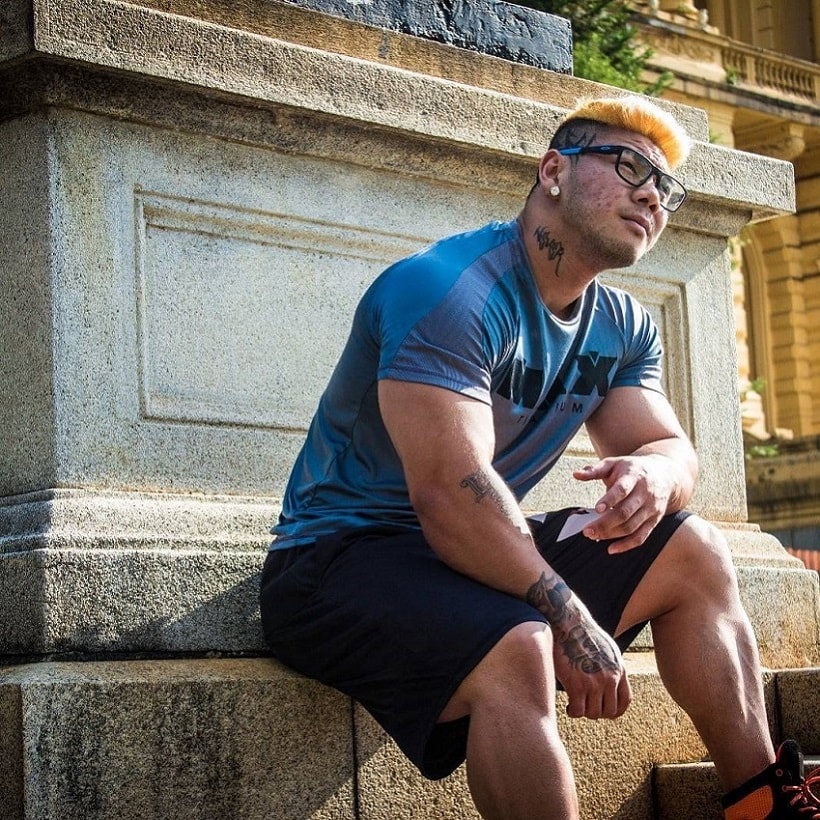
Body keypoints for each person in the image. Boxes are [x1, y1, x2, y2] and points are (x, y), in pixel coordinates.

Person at [259, 95, 820, 820]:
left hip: (466, 561)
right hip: (333, 562)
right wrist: (572, 618)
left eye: (665, 188)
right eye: (629, 167)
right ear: (554, 170)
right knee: (520, 643)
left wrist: (654, 474)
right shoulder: (447, 291)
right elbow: (450, 496)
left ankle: (760, 806)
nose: (652, 193)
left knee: (695, 549)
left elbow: (671, 450)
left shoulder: (621, 326)